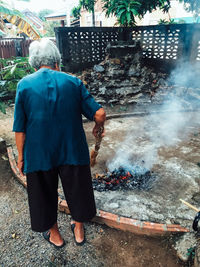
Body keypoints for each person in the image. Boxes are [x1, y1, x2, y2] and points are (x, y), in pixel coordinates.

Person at [13, 38, 106, 248]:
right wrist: (98, 127)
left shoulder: (25, 85)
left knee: (43, 193)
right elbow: (99, 113)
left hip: (39, 153)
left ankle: (55, 234)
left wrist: (21, 157)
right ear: (57, 60)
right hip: (72, 149)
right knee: (78, 188)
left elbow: (20, 127)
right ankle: (79, 228)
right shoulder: (73, 82)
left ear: (34, 63)